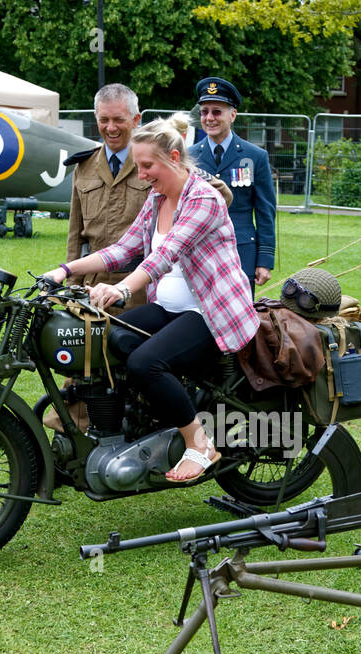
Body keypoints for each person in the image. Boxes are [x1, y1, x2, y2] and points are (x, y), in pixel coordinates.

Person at [45, 114, 258, 483]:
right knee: (104, 338)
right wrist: (65, 270)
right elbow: (124, 248)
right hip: (170, 307)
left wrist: (122, 289)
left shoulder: (203, 198)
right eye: (137, 165)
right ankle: (134, 419)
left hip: (211, 312)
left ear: (174, 158)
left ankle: (199, 441)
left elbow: (166, 254)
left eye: (147, 165)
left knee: (146, 362)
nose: (141, 174)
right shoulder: (158, 198)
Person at [188, 77, 275, 294]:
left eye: (217, 112)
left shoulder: (255, 156)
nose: (209, 118)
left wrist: (264, 259)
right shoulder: (188, 157)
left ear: (232, 115)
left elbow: (265, 211)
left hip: (241, 250)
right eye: (204, 111)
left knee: (241, 317)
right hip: (199, 249)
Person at [64, 83, 147, 309]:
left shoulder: (153, 163)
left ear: (136, 119)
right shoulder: (84, 166)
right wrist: (71, 287)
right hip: (93, 287)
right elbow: (75, 235)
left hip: (139, 289)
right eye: (104, 120)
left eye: (119, 119)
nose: (111, 128)